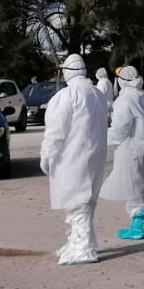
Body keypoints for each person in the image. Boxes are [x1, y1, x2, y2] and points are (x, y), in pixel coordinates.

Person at [41, 53, 109, 265]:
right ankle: (77, 242)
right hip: (94, 155)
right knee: (84, 203)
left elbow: (55, 131)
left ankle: (83, 249)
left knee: (77, 204)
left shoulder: (66, 96)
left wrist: (47, 154)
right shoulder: (97, 94)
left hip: (73, 157)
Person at [100, 65, 144, 240]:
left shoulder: (124, 101)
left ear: (122, 81)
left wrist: (100, 139)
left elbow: (120, 130)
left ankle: (140, 224)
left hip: (132, 148)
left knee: (133, 185)